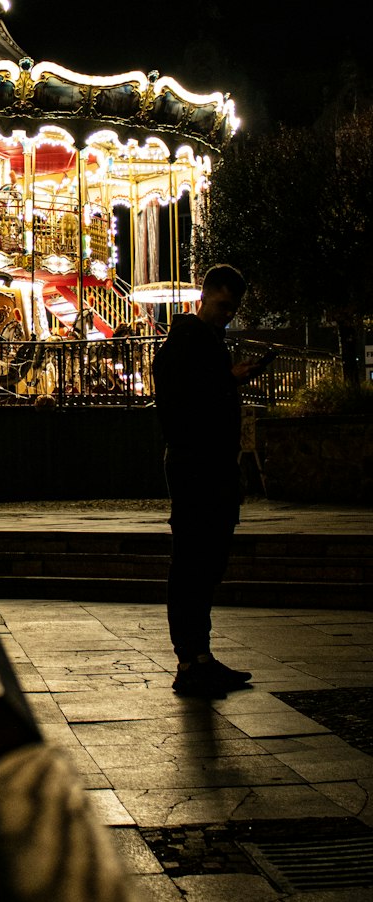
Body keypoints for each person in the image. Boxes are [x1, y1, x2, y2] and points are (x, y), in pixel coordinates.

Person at [152, 264, 274, 697]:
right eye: (223, 305)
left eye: (233, 308)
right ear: (204, 298)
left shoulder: (207, 345)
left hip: (213, 465)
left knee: (206, 562)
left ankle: (200, 655)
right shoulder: (185, 344)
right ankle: (188, 660)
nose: (228, 314)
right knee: (192, 561)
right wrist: (227, 380)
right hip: (194, 465)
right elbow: (181, 402)